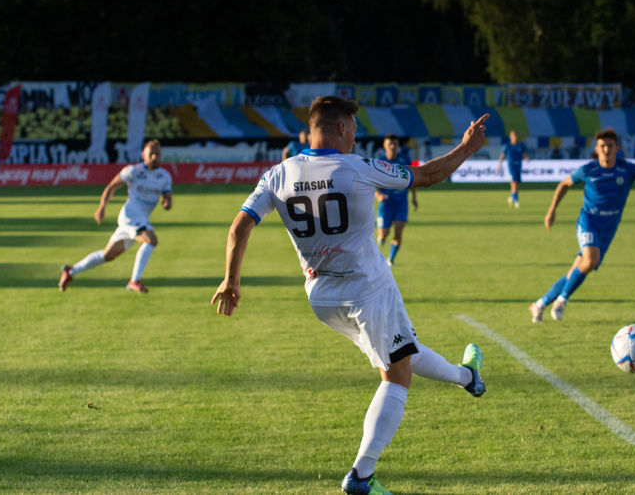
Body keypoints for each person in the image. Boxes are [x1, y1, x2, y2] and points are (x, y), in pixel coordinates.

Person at [211, 96, 489, 495]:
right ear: (340, 128)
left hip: (322, 297)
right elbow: (425, 175)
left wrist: (231, 280)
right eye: (355, 130)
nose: (357, 138)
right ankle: (362, 475)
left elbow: (239, 227)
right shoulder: (357, 167)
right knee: (397, 374)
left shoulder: (278, 173)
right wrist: (466, 148)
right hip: (367, 289)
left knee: (400, 351)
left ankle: (468, 378)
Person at [529, 128, 635, 323]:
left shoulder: (627, 169)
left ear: (617, 148)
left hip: (609, 228)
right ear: (596, 149)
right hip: (588, 222)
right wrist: (552, 210)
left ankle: (539, 304)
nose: (606, 149)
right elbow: (564, 184)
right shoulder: (588, 170)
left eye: (610, 146)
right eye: (602, 146)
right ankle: (561, 301)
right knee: (590, 261)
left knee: (578, 270)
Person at [58, 139, 172, 294]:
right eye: (151, 154)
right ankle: (134, 281)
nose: (154, 157)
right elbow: (111, 187)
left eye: (157, 154)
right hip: (130, 215)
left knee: (107, 255)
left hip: (141, 219)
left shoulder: (164, 176)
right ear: (143, 155)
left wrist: (167, 203)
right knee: (152, 240)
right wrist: (102, 207)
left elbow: (168, 199)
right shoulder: (133, 171)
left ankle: (70, 271)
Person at [375, 134, 418, 266]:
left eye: (394, 144)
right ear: (385, 146)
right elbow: (372, 182)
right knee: (384, 233)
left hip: (401, 203)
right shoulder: (379, 162)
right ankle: (381, 236)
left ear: (398, 145)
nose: (392, 146)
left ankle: (391, 258)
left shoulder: (404, 160)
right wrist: (378, 196)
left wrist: (414, 198)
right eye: (390, 144)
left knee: (399, 230)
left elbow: (412, 180)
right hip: (386, 204)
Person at [497, 130, 529, 208]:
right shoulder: (507, 146)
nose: (515, 137)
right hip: (511, 167)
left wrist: (526, 158)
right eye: (513, 136)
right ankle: (516, 201)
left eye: (516, 135)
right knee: (514, 183)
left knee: (518, 185)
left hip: (519, 166)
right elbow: (502, 156)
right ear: (510, 137)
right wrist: (499, 166)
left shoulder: (521, 145)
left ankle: (511, 197)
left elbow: (525, 153)